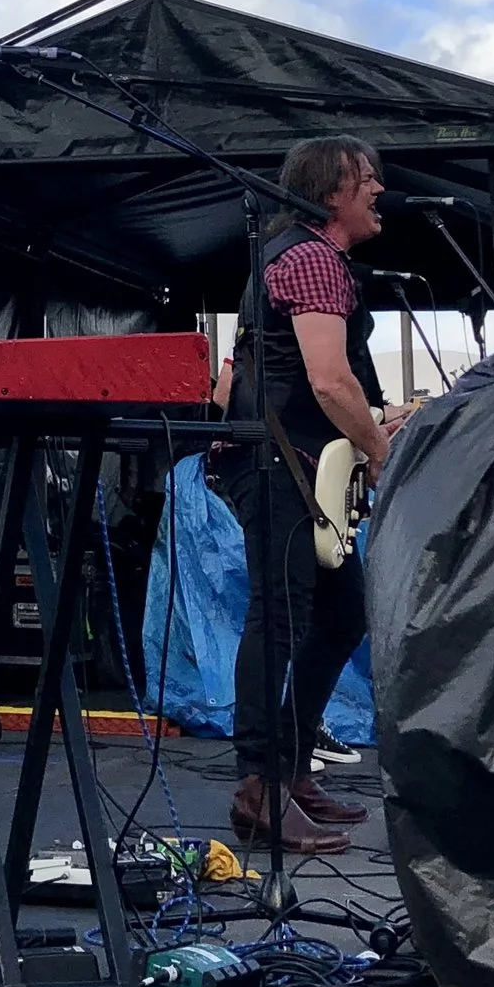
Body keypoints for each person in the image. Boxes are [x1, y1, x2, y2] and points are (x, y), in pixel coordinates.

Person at [214, 136, 407, 854]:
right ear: (330, 192)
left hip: (288, 459)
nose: (380, 188)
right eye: (367, 178)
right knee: (282, 616)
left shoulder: (299, 259)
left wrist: (380, 420)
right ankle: (258, 787)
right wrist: (382, 450)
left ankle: (289, 770)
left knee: (339, 612)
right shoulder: (313, 259)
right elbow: (327, 381)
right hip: (278, 463)